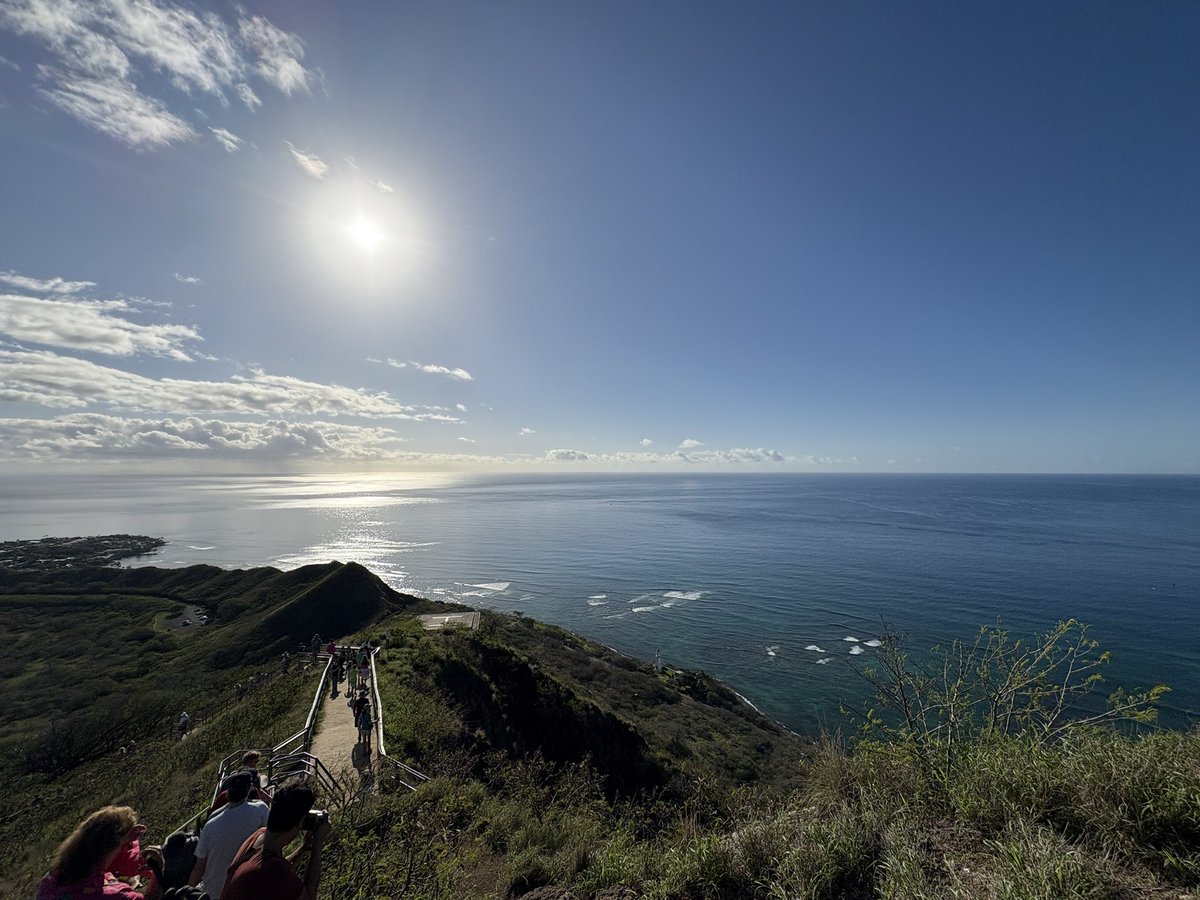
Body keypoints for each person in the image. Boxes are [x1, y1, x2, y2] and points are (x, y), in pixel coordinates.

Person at [221, 778, 331, 900]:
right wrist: (318, 847)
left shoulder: (258, 837)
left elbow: (282, 869)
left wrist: (304, 846)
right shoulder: (273, 870)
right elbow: (309, 896)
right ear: (301, 822)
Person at [37, 806, 164, 900]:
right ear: (109, 849)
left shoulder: (51, 880)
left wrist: (124, 837)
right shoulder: (114, 895)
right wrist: (158, 870)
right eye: (123, 846)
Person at [189, 772, 269, 899]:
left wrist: (189, 889)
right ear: (249, 789)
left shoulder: (211, 823)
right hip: (244, 887)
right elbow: (270, 840)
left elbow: (200, 866)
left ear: (227, 794)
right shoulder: (260, 810)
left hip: (212, 892)